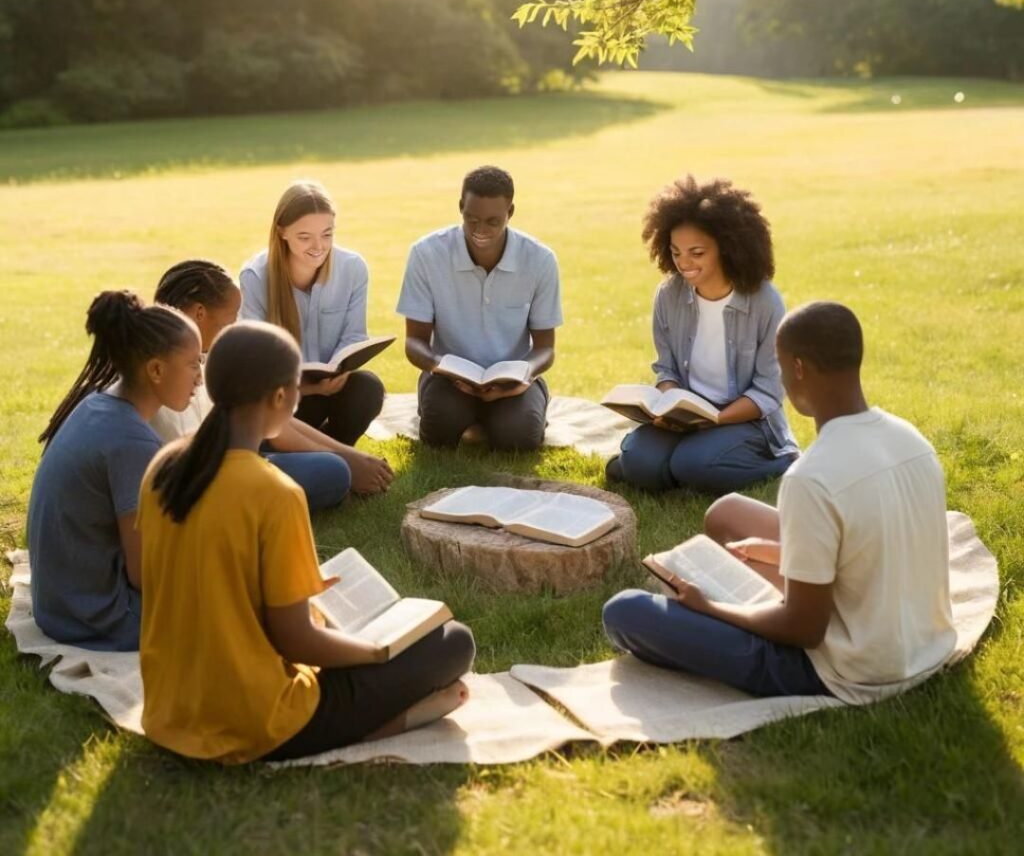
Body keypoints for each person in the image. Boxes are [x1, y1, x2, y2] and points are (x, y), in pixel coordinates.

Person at [138, 321, 475, 763]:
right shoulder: (275, 493)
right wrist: (379, 652)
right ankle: (393, 723)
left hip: (169, 709)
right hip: (255, 721)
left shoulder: (163, 467)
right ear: (281, 398)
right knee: (453, 642)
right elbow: (297, 643)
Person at [603, 302, 957, 703]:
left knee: (625, 612)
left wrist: (708, 609)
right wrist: (780, 552)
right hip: (926, 643)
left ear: (798, 368)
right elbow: (873, 539)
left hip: (851, 668)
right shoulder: (911, 439)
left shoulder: (810, 478)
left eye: (780, 365)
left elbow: (803, 629)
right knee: (727, 513)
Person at [26, 290, 201, 650]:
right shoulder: (132, 442)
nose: (200, 377)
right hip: (102, 618)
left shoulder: (98, 403)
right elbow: (145, 575)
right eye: (193, 364)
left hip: (59, 607)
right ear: (156, 370)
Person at [607, 176, 799, 494]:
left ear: (728, 248)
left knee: (692, 464)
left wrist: (718, 419)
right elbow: (666, 369)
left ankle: (783, 462)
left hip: (745, 420)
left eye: (696, 252)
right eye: (676, 252)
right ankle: (664, 468)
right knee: (641, 462)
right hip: (688, 416)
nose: (684, 263)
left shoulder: (765, 302)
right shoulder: (669, 295)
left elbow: (768, 391)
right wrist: (669, 405)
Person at [152, 259, 393, 502]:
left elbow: (271, 421)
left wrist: (350, 456)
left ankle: (349, 469)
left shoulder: (206, 355)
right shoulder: (177, 368)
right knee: (334, 471)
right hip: (218, 474)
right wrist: (347, 462)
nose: (235, 325)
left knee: (336, 456)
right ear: (200, 313)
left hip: (237, 454)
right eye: (231, 318)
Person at [396, 165, 562, 449]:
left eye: (493, 222)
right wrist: (440, 367)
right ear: (461, 207)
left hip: (513, 380)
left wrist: (525, 375)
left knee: (519, 438)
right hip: (448, 379)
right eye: (471, 219)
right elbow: (414, 342)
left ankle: (521, 407)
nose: (480, 230)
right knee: (440, 430)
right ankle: (466, 416)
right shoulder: (426, 254)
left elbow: (545, 348)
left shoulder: (540, 260)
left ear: (510, 212)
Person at [240, 181, 386, 447]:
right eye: (304, 237)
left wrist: (337, 374)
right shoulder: (255, 277)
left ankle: (335, 449)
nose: (318, 246)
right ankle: (319, 452)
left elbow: (354, 335)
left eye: (327, 234)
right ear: (282, 231)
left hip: (332, 386)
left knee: (368, 388)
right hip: (282, 397)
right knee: (288, 409)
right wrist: (309, 388)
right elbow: (256, 361)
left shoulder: (353, 269)